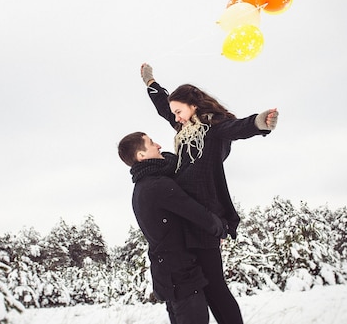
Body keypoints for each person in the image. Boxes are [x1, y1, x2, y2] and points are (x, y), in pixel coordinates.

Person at [139, 62, 278, 324]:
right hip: (187, 217)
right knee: (199, 287)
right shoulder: (184, 127)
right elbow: (163, 107)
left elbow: (238, 128)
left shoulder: (213, 127)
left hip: (203, 219)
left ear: (193, 105)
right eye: (175, 114)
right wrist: (151, 83)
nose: (176, 117)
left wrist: (260, 122)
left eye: (179, 111)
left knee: (215, 288)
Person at [118, 132, 229, 324]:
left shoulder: (143, 187)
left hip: (171, 277)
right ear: (141, 156)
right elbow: (199, 214)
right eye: (151, 143)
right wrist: (221, 228)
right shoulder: (157, 186)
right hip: (181, 278)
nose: (159, 145)